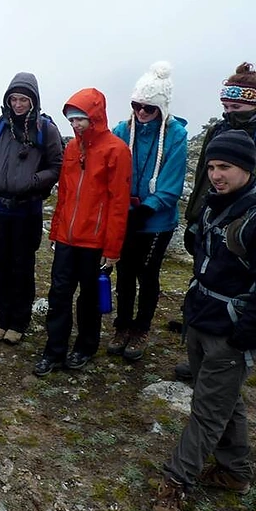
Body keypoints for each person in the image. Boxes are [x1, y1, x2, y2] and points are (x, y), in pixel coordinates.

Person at [151, 130, 256, 511]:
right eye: (211, 166)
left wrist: (244, 334)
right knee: (223, 399)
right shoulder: (217, 206)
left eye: (224, 167)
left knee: (207, 412)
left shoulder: (252, 217)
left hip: (230, 329)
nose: (215, 174)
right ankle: (235, 470)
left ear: (246, 167)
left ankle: (176, 482)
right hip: (201, 317)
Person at [34, 89, 131, 376]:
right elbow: (64, 194)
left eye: (80, 119)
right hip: (67, 238)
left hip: (95, 241)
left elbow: (118, 203)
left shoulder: (116, 150)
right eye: (71, 120)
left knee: (88, 298)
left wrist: (113, 249)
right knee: (59, 294)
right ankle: (54, 351)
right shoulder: (73, 149)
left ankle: (85, 347)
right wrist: (55, 232)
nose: (75, 125)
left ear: (96, 117)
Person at [176, 61, 256, 382]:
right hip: (208, 216)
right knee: (202, 283)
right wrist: (194, 216)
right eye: (224, 105)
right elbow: (202, 179)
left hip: (243, 226)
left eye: (235, 106)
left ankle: (224, 360)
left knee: (232, 286)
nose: (228, 112)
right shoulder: (218, 130)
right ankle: (200, 361)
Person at [104, 63, 188, 362]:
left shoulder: (176, 135)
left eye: (148, 108)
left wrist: (147, 208)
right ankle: (122, 325)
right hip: (125, 214)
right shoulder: (123, 130)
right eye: (136, 106)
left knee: (147, 274)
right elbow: (109, 165)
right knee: (124, 272)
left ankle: (141, 328)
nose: (141, 113)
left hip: (157, 222)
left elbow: (171, 181)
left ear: (161, 108)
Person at [0, 72, 64, 344]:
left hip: (27, 209)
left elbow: (57, 165)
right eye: (13, 99)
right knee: (0, 264)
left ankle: (19, 320)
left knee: (23, 266)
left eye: (23, 100)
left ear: (33, 101)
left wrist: (35, 181)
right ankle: (2, 318)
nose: (17, 105)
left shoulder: (45, 130)